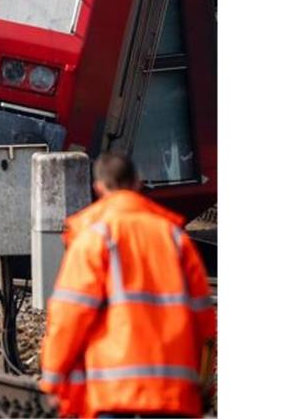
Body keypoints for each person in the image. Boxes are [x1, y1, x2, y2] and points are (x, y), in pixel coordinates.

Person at [39, 153, 216, 418]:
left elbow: (69, 317)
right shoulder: (175, 238)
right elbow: (204, 323)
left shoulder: (94, 238)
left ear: (99, 188)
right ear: (137, 183)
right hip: (173, 393)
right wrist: (204, 385)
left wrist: (52, 379)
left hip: (113, 392)